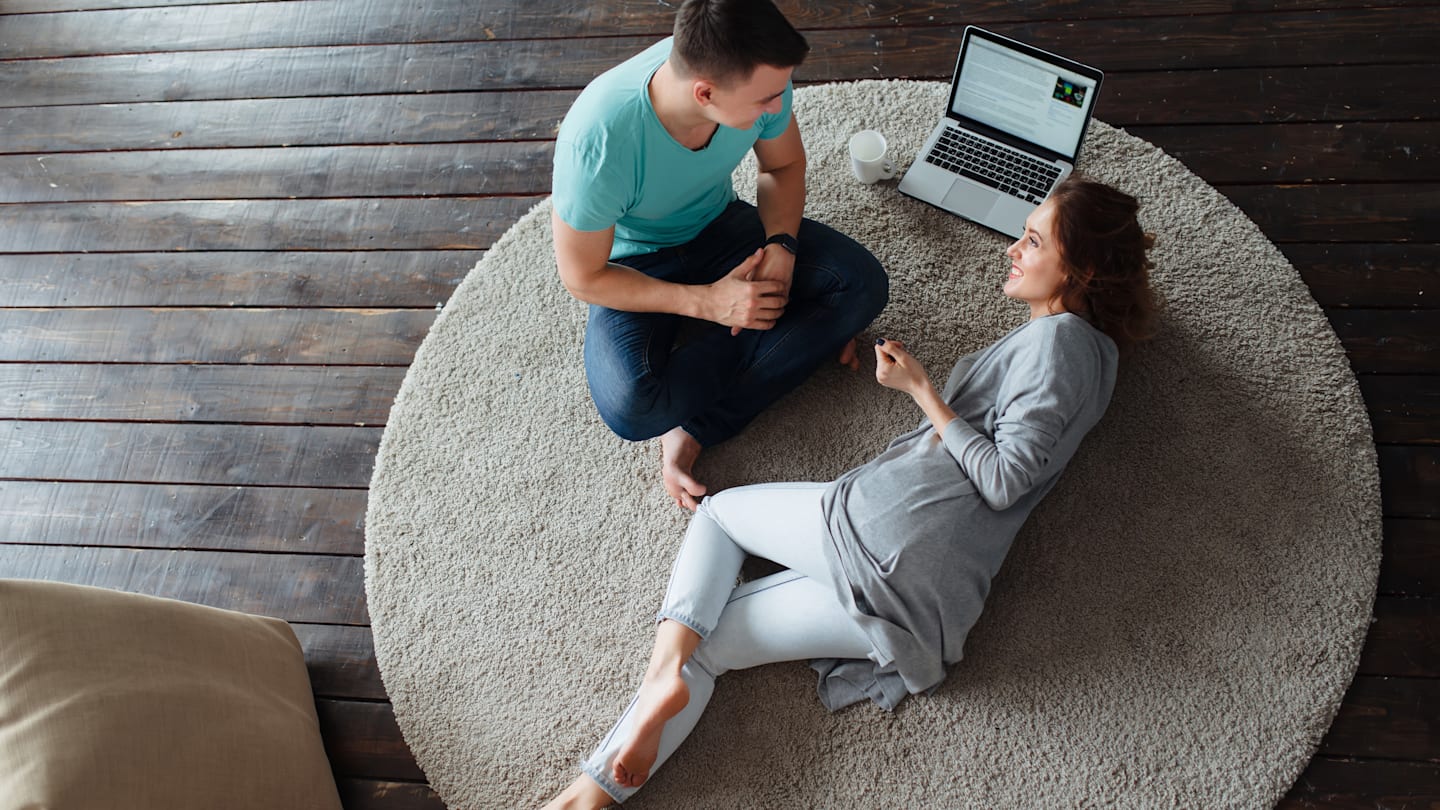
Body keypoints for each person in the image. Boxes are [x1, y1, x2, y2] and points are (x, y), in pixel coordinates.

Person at [541, 177, 1160, 809]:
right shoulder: (1101, 358)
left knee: (720, 517)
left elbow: (1005, 478)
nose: (1011, 249)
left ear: (1080, 269)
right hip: (929, 612)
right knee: (711, 644)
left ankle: (657, 684)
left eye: (1032, 241)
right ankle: (588, 797)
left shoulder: (1058, 343)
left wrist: (923, 390)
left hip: (893, 530)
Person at [551, 0, 889, 511]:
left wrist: (782, 245)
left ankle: (699, 420)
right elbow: (583, 278)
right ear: (704, 93)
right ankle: (791, 338)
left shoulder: (760, 75)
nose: (777, 108)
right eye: (765, 100)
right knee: (631, 407)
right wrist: (708, 303)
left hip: (722, 225)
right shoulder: (598, 142)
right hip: (636, 262)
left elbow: (784, 166)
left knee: (863, 284)